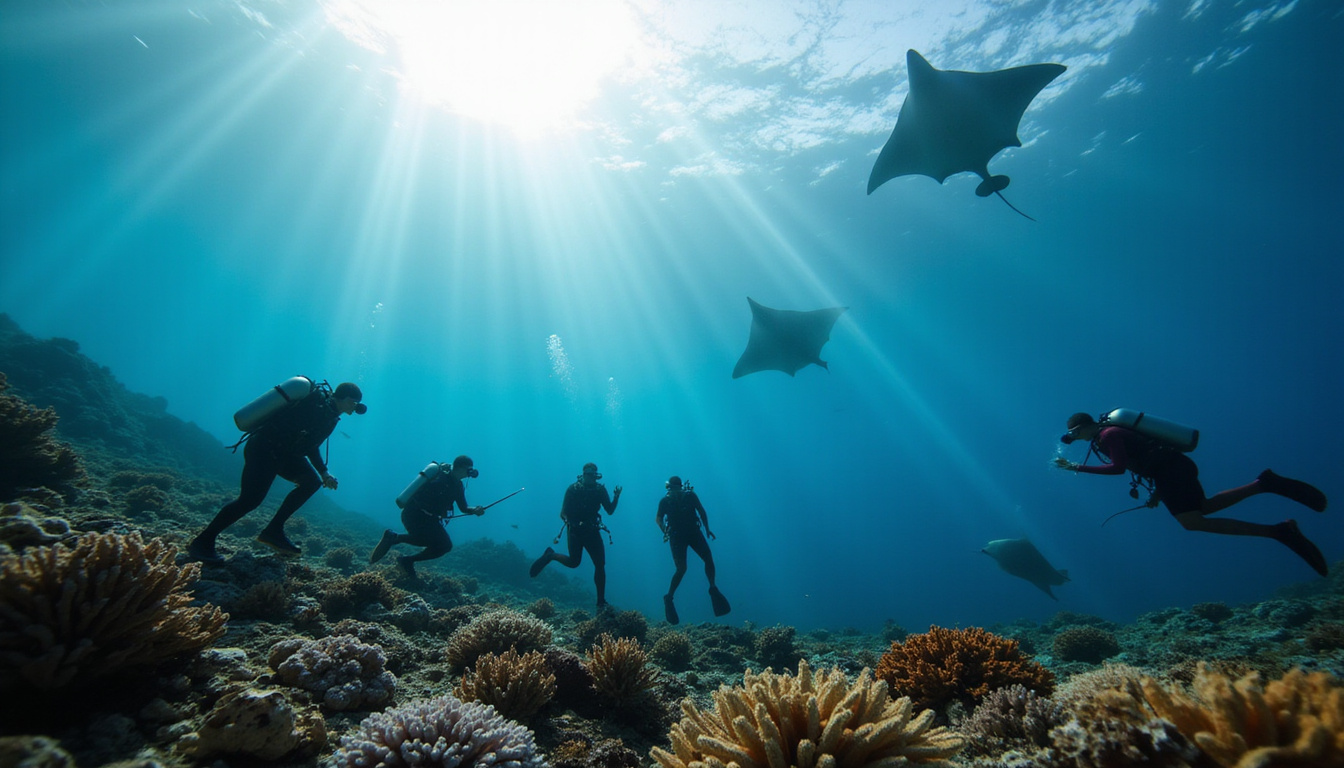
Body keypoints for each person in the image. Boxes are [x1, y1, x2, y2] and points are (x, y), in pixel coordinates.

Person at [1054, 411, 1329, 576]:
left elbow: (1118, 469)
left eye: (1073, 435)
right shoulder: (1107, 436)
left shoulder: (1109, 435)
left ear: (1080, 429)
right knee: (1203, 509)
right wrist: (1158, 494)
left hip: (1173, 472)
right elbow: (1147, 460)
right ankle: (1264, 485)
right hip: (1172, 471)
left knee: (1192, 521)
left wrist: (1077, 467)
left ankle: (1279, 531)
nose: (1073, 439)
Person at [188, 381, 367, 563]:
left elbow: (312, 446)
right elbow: (302, 438)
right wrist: (320, 470)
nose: (356, 407)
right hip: (264, 449)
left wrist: (324, 473)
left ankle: (273, 531)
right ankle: (202, 542)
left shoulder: (331, 416)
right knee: (249, 500)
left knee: (311, 482)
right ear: (344, 398)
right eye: (354, 402)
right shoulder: (316, 406)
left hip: (283, 454)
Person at [370, 456, 484, 579]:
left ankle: (403, 554)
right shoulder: (440, 478)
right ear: (460, 468)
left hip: (431, 520)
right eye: (469, 469)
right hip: (414, 515)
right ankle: (395, 541)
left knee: (444, 546)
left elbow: (463, 508)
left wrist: (474, 510)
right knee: (430, 540)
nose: (470, 473)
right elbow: (425, 498)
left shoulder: (458, 485)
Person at [529, 462, 621, 609]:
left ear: (596, 476)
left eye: (593, 474)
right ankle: (550, 555)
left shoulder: (600, 490)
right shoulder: (573, 489)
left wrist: (616, 498)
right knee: (574, 562)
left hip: (592, 531)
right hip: (575, 532)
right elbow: (563, 513)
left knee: (600, 564)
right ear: (583, 475)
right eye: (588, 474)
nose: (590, 477)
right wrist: (571, 523)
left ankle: (601, 601)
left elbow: (609, 510)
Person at [656, 476, 730, 624]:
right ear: (669, 488)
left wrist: (707, 529)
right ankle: (669, 596)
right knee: (681, 569)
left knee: (708, 559)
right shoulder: (665, 501)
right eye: (672, 489)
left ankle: (712, 586)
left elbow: (702, 511)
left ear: (680, 487)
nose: (675, 492)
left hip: (693, 533)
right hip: (677, 536)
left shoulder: (690, 496)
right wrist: (664, 530)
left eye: (677, 489)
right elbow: (658, 518)